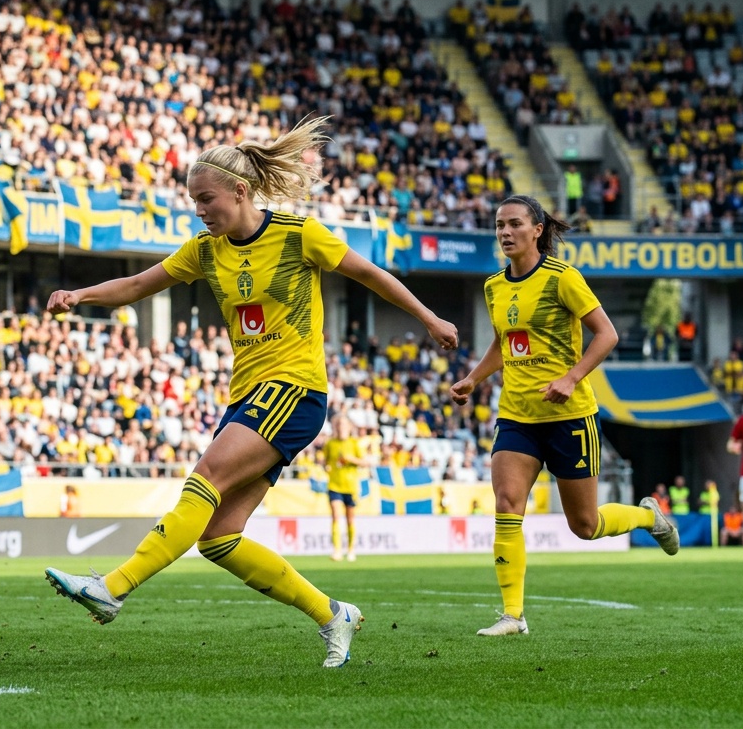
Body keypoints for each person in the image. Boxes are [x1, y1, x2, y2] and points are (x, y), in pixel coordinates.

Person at [41, 116, 459, 667]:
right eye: (193, 201)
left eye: (206, 199)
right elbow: (138, 286)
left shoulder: (298, 233)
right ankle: (334, 614)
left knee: (206, 477)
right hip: (248, 396)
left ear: (240, 192)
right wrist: (80, 294)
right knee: (218, 538)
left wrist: (430, 319)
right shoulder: (205, 249)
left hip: (294, 389)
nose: (199, 210)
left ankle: (111, 587)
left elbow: (372, 275)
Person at [450, 194, 678, 638]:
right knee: (507, 503)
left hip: (569, 415)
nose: (505, 232)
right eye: (499, 225)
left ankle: (650, 517)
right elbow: (504, 343)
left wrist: (572, 378)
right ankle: (512, 615)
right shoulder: (494, 285)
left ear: (537, 229)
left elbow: (606, 334)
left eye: (514, 224)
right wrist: (474, 379)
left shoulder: (562, 278)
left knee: (585, 526)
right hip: (517, 414)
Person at [324, 416, 372, 562]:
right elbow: (326, 461)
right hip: (334, 485)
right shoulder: (330, 444)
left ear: (349, 428)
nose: (341, 427)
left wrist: (351, 460)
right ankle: (337, 550)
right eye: (339, 425)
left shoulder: (354, 443)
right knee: (335, 515)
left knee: (350, 519)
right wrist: (327, 467)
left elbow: (365, 463)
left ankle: (351, 549)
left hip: (351, 486)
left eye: (344, 425)